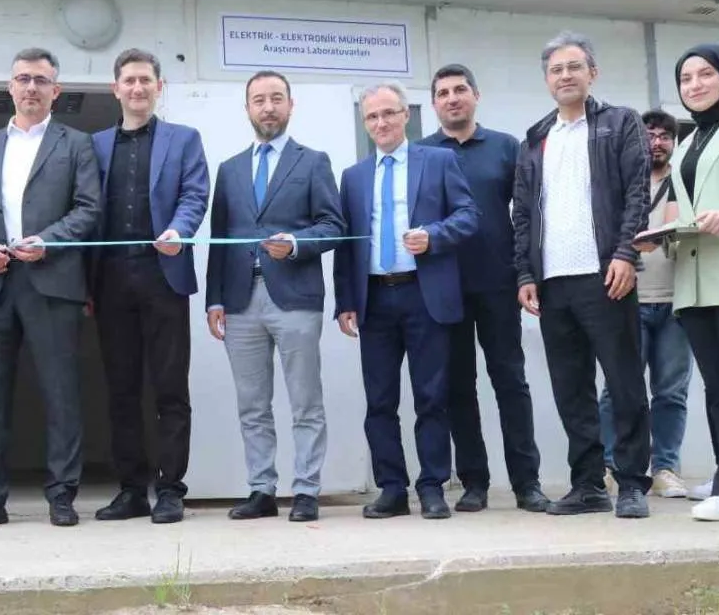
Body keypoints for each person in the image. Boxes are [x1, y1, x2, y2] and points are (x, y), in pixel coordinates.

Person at [0, 47, 101, 529]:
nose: (31, 87)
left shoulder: (77, 145)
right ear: (10, 87)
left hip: (52, 283)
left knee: (61, 393)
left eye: (40, 80)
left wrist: (48, 241)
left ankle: (62, 495)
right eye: (23, 79)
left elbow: (89, 208)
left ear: (56, 90)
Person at [512, 31, 652, 518]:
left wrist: (625, 253)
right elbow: (522, 213)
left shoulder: (619, 123)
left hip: (606, 275)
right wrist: (524, 274)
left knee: (624, 382)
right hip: (553, 283)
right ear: (547, 80)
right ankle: (589, 484)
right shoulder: (536, 138)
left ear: (593, 73)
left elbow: (637, 192)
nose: (565, 76)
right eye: (556, 69)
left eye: (574, 66)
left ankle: (631, 483)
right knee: (572, 390)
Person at [205, 70, 345, 523]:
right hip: (240, 300)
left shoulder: (314, 162)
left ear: (290, 104)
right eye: (259, 100)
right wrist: (214, 299)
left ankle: (306, 490)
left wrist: (297, 243)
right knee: (252, 404)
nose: (268, 107)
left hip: (295, 297)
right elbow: (220, 238)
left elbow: (333, 226)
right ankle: (261, 489)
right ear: (247, 108)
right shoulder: (229, 169)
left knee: (305, 401)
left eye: (276, 98)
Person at [333, 82, 478, 520]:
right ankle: (392, 489)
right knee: (379, 401)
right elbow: (347, 244)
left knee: (431, 396)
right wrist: (345, 300)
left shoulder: (438, 160)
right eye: (372, 117)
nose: (381, 123)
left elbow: (469, 215)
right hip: (374, 297)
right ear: (365, 123)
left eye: (389, 113)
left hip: (423, 293)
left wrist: (434, 235)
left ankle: (432, 486)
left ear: (406, 116)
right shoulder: (354, 176)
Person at [418, 65, 548, 513]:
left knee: (510, 381)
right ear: (433, 103)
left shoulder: (505, 148)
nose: (452, 98)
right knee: (458, 387)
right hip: (443, 288)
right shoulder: (422, 153)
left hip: (498, 282)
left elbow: (527, 215)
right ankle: (474, 481)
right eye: (443, 93)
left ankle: (527, 482)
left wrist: (526, 274)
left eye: (460, 90)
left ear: (476, 95)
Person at [90, 49, 208, 525]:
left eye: (145, 80)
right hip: (110, 279)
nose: (137, 88)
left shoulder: (184, 139)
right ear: (115, 89)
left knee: (170, 387)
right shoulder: (94, 145)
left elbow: (195, 194)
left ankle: (171, 489)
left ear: (159, 87)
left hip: (164, 276)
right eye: (129, 80)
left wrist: (180, 230)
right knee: (121, 389)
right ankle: (131, 490)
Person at [599, 110, 691, 500]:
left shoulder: (685, 179)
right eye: (649, 134)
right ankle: (609, 466)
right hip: (628, 299)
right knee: (618, 389)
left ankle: (665, 468)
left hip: (677, 301)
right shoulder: (620, 180)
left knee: (671, 392)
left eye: (665, 136)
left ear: (674, 142)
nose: (657, 142)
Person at [649, 44, 719, 521]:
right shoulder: (690, 141)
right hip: (694, 282)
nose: (694, 85)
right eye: (685, 78)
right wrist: (661, 236)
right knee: (715, 386)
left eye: (705, 74)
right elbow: (682, 208)